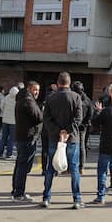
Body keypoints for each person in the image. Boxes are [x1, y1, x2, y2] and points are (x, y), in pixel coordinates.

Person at [41, 72, 85, 209]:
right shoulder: (76, 97)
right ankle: (76, 199)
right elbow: (78, 118)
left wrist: (58, 131)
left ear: (58, 82)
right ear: (69, 83)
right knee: (74, 169)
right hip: (72, 138)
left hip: (54, 138)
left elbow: (46, 118)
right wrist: (67, 131)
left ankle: (46, 197)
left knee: (50, 168)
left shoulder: (50, 97)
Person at [11, 82, 42, 203]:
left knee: (20, 164)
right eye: (35, 90)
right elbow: (38, 117)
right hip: (27, 137)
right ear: (29, 89)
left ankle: (16, 190)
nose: (37, 92)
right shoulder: (28, 100)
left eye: (38, 90)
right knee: (23, 166)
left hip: (22, 136)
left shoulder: (21, 98)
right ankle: (19, 193)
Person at [72, 81, 93, 172]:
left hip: (75, 125)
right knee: (82, 145)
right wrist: (86, 123)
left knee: (72, 145)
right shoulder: (87, 100)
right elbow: (91, 113)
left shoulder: (74, 98)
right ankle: (81, 166)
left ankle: (74, 166)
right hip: (82, 126)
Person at [0, 86, 19, 159]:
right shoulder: (18, 99)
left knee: (3, 137)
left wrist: (4, 113)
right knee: (11, 139)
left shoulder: (6, 97)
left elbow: (1, 106)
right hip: (14, 121)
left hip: (5, 120)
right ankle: (9, 154)